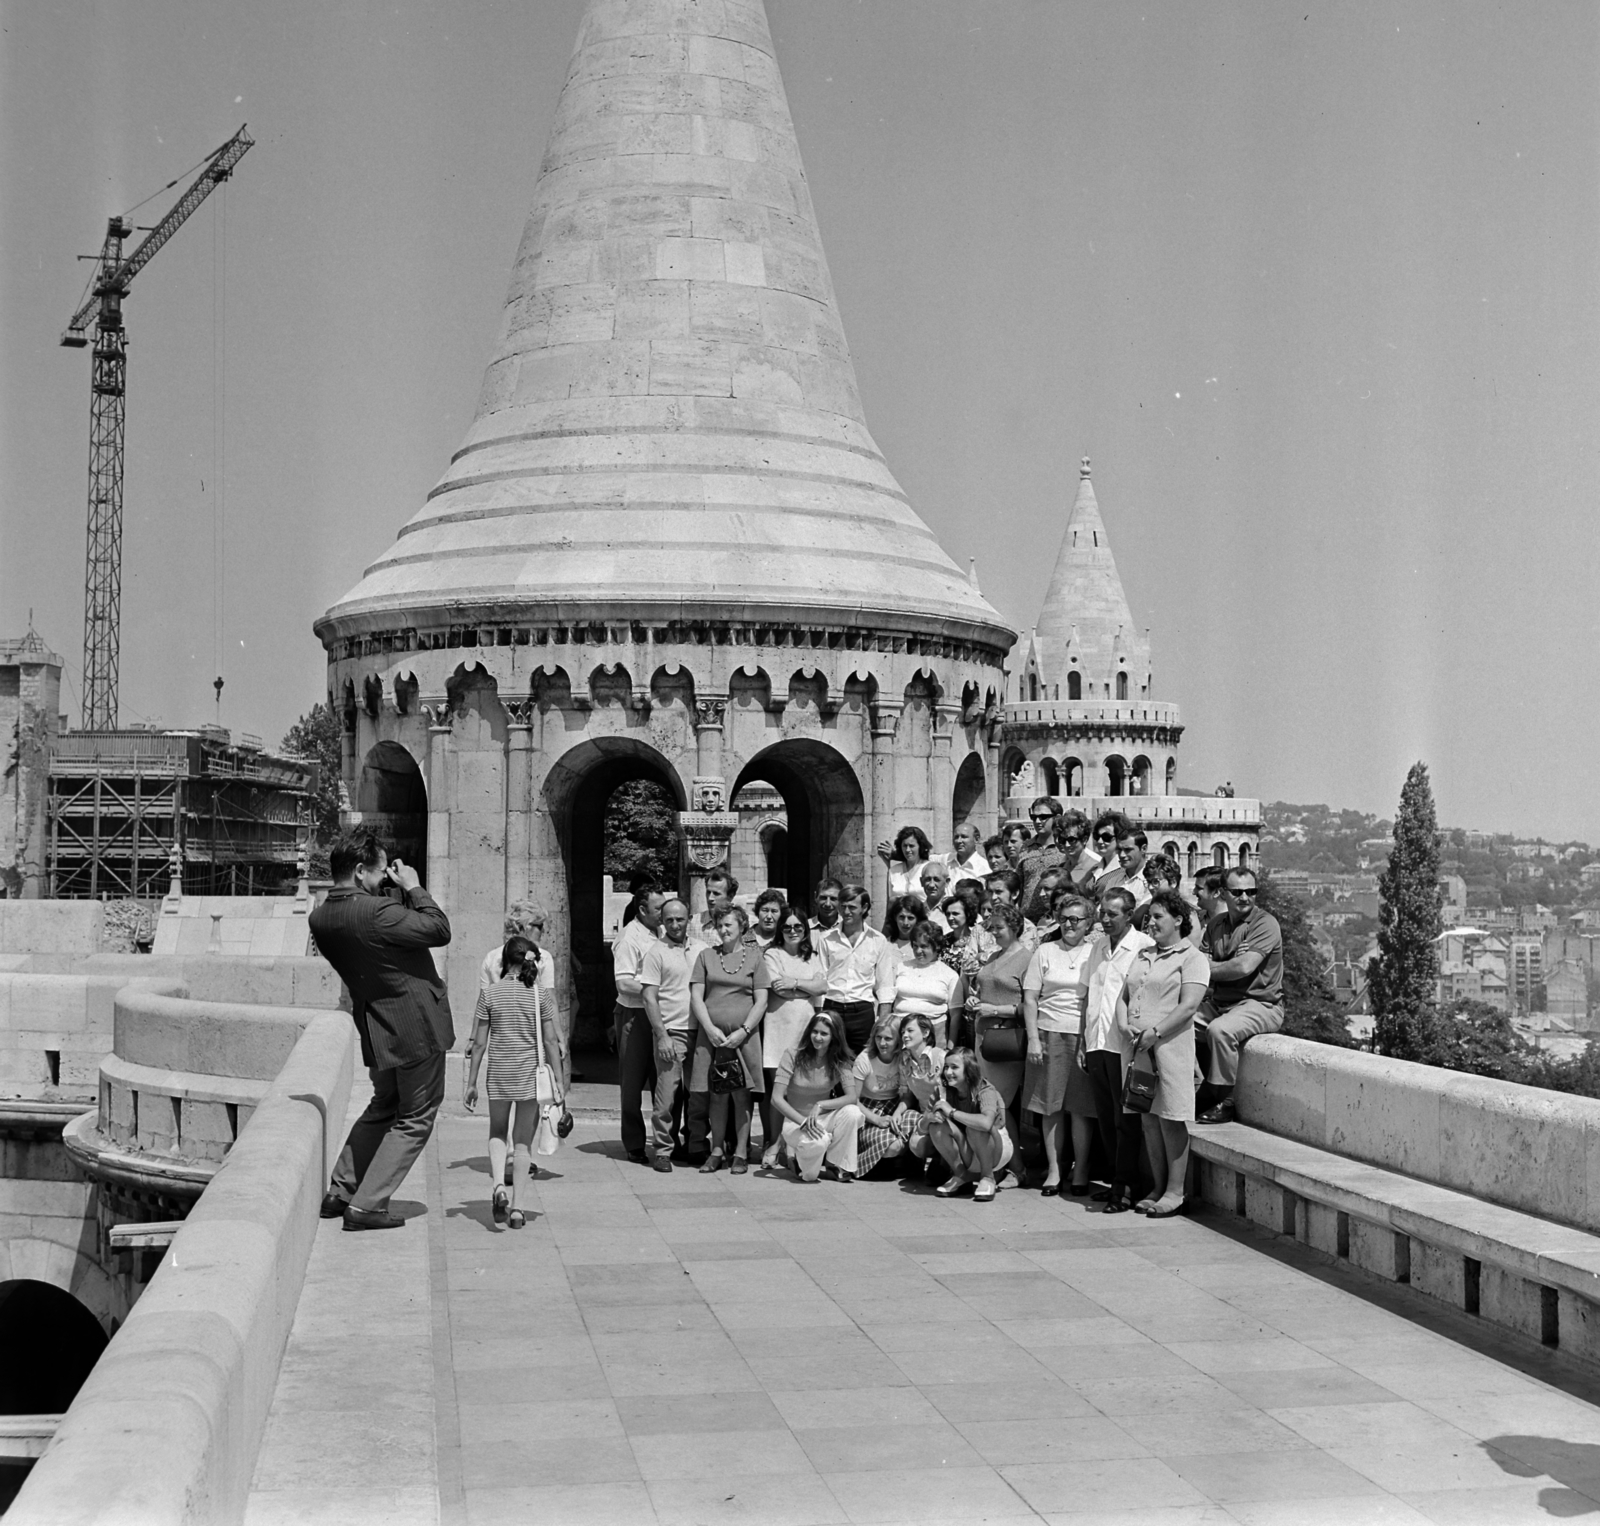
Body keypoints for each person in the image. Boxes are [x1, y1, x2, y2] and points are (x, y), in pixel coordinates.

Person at [310, 831, 454, 1232]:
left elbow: (381, 940)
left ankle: (341, 1191)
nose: (383, 880)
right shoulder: (377, 913)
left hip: (376, 1026)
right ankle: (367, 1205)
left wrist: (389, 893)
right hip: (416, 1027)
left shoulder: (320, 916)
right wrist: (414, 887)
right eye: (378, 872)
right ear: (358, 871)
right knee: (416, 1116)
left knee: (383, 1105)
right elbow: (438, 929)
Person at [1118, 890, 1209, 1215]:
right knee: (1148, 1119)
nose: (1151, 922)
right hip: (1137, 1049)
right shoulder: (1142, 955)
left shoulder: (1192, 958)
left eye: (1158, 917)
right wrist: (1125, 1024)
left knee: (1170, 1119)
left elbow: (1188, 1007)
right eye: (1149, 917)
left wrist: (1155, 1033)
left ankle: (1175, 1191)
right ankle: (1157, 1185)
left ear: (1178, 920)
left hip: (1170, 1049)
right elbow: (1124, 996)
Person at [462, 936, 563, 1229]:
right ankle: (518, 1209)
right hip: (529, 1076)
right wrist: (558, 1078)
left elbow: (479, 1044)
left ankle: (497, 1185)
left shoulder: (490, 994)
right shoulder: (540, 995)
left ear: (504, 961)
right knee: (522, 1143)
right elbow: (550, 1040)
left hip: (499, 1075)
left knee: (497, 1131)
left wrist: (471, 1083)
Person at [1080, 888, 1153, 1213]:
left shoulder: (1141, 948)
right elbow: (1089, 998)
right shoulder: (1097, 947)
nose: (1105, 919)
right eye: (1103, 913)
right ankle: (1115, 1181)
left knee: (1126, 1119)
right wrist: (1084, 1041)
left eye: (1113, 914)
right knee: (1107, 1118)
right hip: (1097, 1043)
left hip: (1123, 1046)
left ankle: (1125, 1187)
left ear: (1129, 914)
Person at [1021, 892, 1098, 1197]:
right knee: (1050, 1107)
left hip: (1081, 1035)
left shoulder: (1095, 952)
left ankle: (1080, 1169)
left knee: (1079, 1108)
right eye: (1064, 918)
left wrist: (1088, 1039)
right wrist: (1033, 1040)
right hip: (1047, 1032)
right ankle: (1054, 1169)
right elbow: (1030, 998)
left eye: (1076, 919)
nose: (1069, 924)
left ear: (1088, 923)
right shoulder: (1044, 951)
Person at [1195, 868, 1285, 1124]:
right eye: (1237, 892)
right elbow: (1199, 966)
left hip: (1261, 1004)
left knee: (1220, 1031)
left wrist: (1215, 966)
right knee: (1178, 1024)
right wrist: (1229, 963)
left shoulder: (1265, 923)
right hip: (1221, 1002)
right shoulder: (1215, 924)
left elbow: (1244, 967)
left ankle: (1224, 1099)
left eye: (1251, 891)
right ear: (1224, 894)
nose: (1245, 897)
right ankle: (1194, 1085)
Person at [689, 906, 770, 1174]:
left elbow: (761, 1001)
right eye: (720, 925)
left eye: (729, 926)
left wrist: (743, 1031)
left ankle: (741, 1152)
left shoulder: (756, 958)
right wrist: (710, 1028)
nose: (723, 930)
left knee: (741, 1095)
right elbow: (697, 997)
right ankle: (716, 1150)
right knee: (717, 1094)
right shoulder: (706, 957)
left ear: (742, 927)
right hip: (712, 1037)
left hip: (743, 1038)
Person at [637, 898, 707, 1172]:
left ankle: (696, 1144)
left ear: (688, 919)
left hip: (699, 1032)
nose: (675, 925)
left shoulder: (702, 950)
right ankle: (663, 1150)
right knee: (666, 1097)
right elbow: (649, 998)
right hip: (671, 1032)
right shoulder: (656, 952)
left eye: (680, 919)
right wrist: (662, 1035)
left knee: (698, 1094)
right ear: (662, 922)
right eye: (669, 920)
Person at [761, 909, 826, 1168]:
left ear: (805, 930)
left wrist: (794, 983)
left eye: (798, 927)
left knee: (798, 1088)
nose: (792, 931)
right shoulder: (771, 954)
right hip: (778, 1027)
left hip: (804, 1027)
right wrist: (806, 987)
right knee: (778, 1090)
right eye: (787, 927)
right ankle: (773, 1142)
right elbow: (777, 986)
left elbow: (822, 987)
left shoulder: (812, 956)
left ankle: (793, 1145)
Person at [770, 1011, 862, 1182]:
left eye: (824, 1033)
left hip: (822, 1118)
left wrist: (820, 1105)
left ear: (834, 1037)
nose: (818, 1037)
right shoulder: (792, 1054)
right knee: (810, 1175)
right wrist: (803, 1122)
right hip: (796, 1122)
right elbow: (776, 1098)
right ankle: (799, 1159)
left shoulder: (839, 1059)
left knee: (853, 1113)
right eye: (815, 1031)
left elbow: (852, 1097)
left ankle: (835, 1165)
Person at [965, 901, 1031, 1136]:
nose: (993, 933)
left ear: (1014, 927)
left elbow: (1031, 1005)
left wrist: (994, 1010)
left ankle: (1015, 1167)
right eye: (991, 928)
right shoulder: (993, 956)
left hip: (1006, 1040)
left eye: (998, 928)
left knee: (997, 1104)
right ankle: (998, 1161)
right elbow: (985, 992)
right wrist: (975, 1001)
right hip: (983, 1035)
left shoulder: (1027, 959)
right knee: (987, 1102)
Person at [613, 886, 666, 1165]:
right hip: (635, 1014)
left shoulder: (662, 932)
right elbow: (623, 981)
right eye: (659, 909)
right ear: (642, 910)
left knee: (665, 1080)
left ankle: (665, 1140)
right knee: (633, 1083)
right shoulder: (628, 938)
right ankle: (634, 1142)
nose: (664, 913)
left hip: (660, 1013)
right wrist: (655, 990)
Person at [816, 884, 897, 1054]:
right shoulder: (826, 939)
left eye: (852, 907)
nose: (846, 912)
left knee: (862, 1062)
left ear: (864, 908)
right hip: (833, 1007)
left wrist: (882, 1022)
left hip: (863, 1011)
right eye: (843, 907)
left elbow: (885, 985)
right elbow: (820, 979)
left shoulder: (878, 940)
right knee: (831, 1061)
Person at [926, 1048, 1014, 1203]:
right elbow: (922, 1125)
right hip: (968, 1146)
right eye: (946, 1067)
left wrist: (951, 1112)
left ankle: (988, 1177)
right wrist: (930, 1118)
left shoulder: (985, 1089)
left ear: (968, 1070)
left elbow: (986, 1123)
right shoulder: (942, 1091)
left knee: (976, 1125)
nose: (948, 1072)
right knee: (936, 1126)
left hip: (996, 1147)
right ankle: (961, 1176)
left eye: (954, 1067)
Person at [882, 921, 963, 1047]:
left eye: (924, 946)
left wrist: (950, 1047)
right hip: (900, 1031)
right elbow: (886, 1000)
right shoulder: (900, 968)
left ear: (936, 946)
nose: (918, 951)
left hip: (934, 1034)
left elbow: (956, 1015)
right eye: (915, 946)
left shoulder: (949, 974)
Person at [847, 1014, 910, 1178]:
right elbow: (853, 1099)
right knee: (893, 1146)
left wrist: (897, 1114)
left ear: (898, 1040)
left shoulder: (903, 1057)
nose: (882, 1043)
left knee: (915, 1123)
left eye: (888, 1039)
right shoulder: (865, 1059)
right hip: (868, 1111)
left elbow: (908, 1095)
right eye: (878, 1037)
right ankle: (862, 1162)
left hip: (894, 1106)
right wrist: (876, 1119)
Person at [896, 1012, 947, 1176]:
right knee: (916, 1144)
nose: (905, 1035)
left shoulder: (941, 1057)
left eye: (910, 1031)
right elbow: (908, 1095)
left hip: (947, 1116)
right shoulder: (904, 1061)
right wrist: (898, 1112)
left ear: (925, 1033)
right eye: (903, 1032)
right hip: (925, 1117)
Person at [939, 887, 995, 1026]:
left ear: (968, 914)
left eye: (956, 913)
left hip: (970, 1002)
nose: (950, 917)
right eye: (948, 914)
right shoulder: (941, 942)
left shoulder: (978, 939)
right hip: (946, 1002)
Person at [1018, 797, 1066, 921]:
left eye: (1043, 817)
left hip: (1056, 919)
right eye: (1034, 817)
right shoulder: (1025, 847)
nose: (1038, 821)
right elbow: (1020, 884)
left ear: (1057, 817)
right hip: (1027, 920)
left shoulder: (1065, 848)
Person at [877, 825, 936, 901]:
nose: (907, 850)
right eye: (905, 846)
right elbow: (890, 901)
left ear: (920, 846)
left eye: (911, 846)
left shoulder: (929, 868)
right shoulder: (894, 870)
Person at [984, 869, 1038, 949]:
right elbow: (968, 959)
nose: (993, 897)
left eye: (998, 892)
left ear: (1015, 894)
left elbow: (1023, 958)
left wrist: (982, 956)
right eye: (990, 892)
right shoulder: (980, 928)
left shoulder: (1027, 928)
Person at [882, 894, 930, 972]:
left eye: (910, 918)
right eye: (901, 917)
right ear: (895, 917)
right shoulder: (884, 944)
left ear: (918, 920)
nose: (905, 923)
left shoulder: (924, 946)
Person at [1056, 810, 1099, 892]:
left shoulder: (1096, 868)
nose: (1067, 845)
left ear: (1084, 839)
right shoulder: (1061, 868)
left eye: (1072, 840)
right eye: (1062, 840)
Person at [1112, 828, 1154, 909]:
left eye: (1127, 850)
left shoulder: (1153, 881)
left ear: (1143, 849)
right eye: (1119, 850)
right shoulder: (1114, 881)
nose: (1122, 855)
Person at [1090, 813, 1130, 895]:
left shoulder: (1125, 869)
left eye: (1106, 837)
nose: (1100, 841)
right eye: (1097, 836)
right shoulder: (1094, 867)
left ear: (1120, 837)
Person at [695, 870, 739, 941]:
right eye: (708, 892)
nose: (710, 898)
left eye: (716, 893)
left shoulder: (748, 924)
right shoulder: (692, 923)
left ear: (730, 896)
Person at [917, 862, 951, 930]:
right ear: (921, 882)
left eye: (937, 880)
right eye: (927, 879)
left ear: (947, 882)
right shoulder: (917, 911)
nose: (931, 885)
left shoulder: (955, 910)